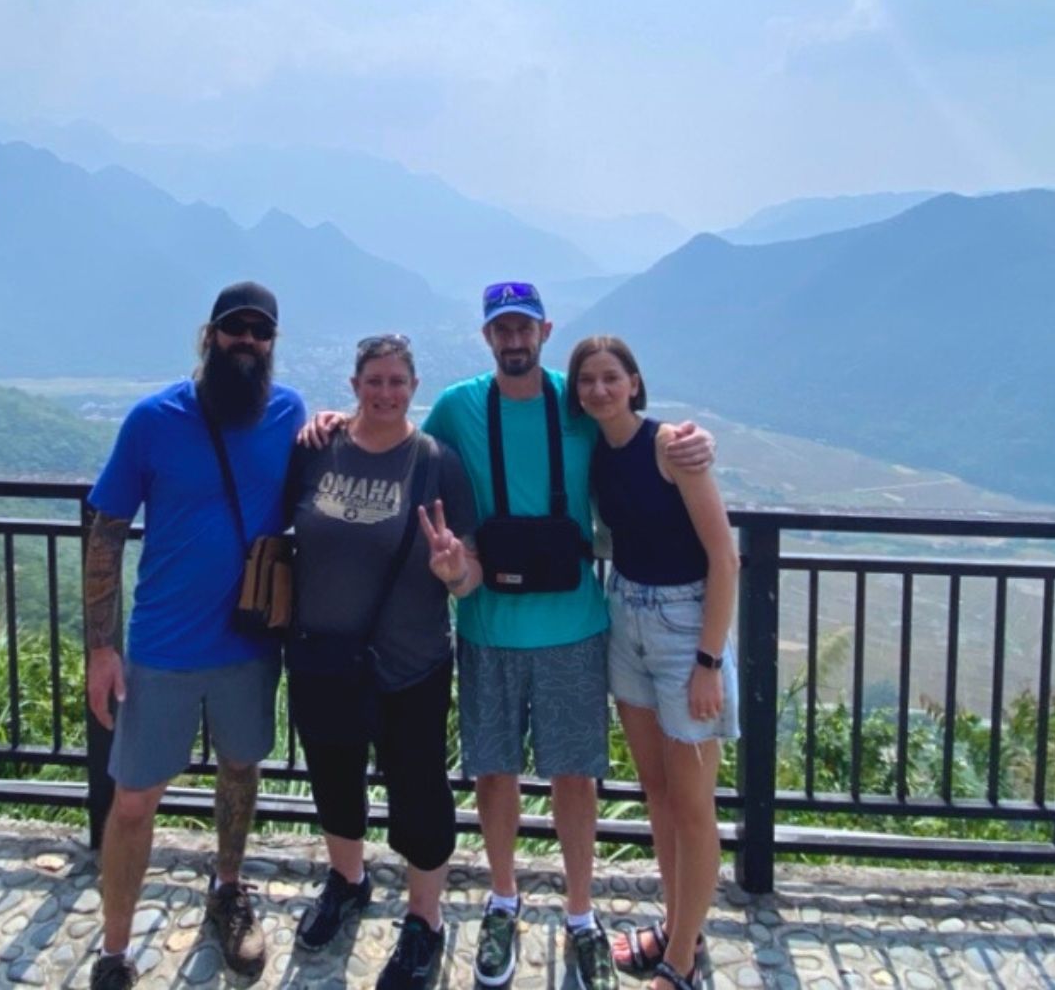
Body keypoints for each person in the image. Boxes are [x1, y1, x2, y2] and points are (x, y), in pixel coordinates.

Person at [310, 281, 715, 990]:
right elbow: (393, 427)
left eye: (525, 327)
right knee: (493, 771)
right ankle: (504, 896)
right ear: (488, 337)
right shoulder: (463, 405)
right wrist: (331, 420)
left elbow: (632, 427)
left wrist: (690, 438)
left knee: (574, 777)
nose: (515, 340)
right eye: (503, 329)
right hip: (488, 622)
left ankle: (581, 912)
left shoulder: (580, 399)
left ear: (545, 330)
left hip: (575, 624)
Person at [83, 282, 306, 990]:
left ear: (271, 343)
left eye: (260, 333)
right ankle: (115, 949)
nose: (247, 342)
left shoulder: (290, 412)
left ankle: (228, 889)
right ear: (209, 336)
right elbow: (105, 533)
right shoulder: (154, 419)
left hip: (249, 639)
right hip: (164, 645)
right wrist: (100, 647)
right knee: (133, 800)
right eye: (235, 330)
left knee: (241, 768)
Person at [287, 333, 480, 989]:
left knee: (420, 794)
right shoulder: (317, 449)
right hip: (322, 656)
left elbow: (469, 571)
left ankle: (424, 920)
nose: (386, 392)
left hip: (411, 662)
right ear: (354, 384)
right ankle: (347, 879)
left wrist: (455, 572)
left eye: (398, 382)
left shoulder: (435, 464)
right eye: (375, 380)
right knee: (334, 777)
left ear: (413, 388)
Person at [569, 336, 738, 990]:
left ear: (635, 383)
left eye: (611, 377)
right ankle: (677, 927)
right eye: (588, 381)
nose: (600, 390)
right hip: (627, 617)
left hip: (686, 626)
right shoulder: (595, 454)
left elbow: (724, 558)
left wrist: (707, 661)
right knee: (660, 795)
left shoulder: (671, 446)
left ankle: (683, 957)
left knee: (694, 805)